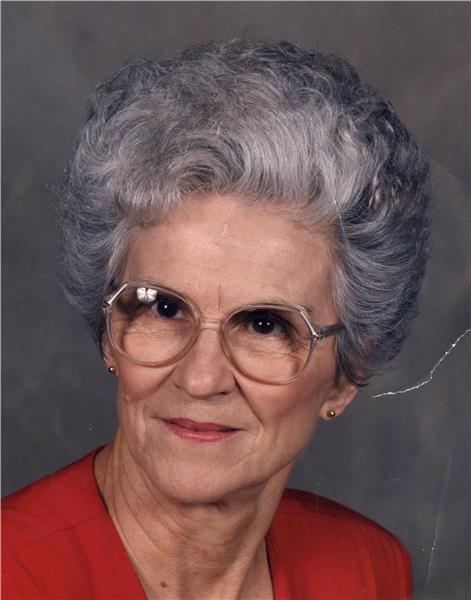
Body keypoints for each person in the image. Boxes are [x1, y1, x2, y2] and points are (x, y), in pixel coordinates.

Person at [2, 39, 429, 599]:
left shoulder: (368, 572)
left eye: (264, 324)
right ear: (109, 334)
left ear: (347, 374)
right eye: (164, 307)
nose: (201, 379)